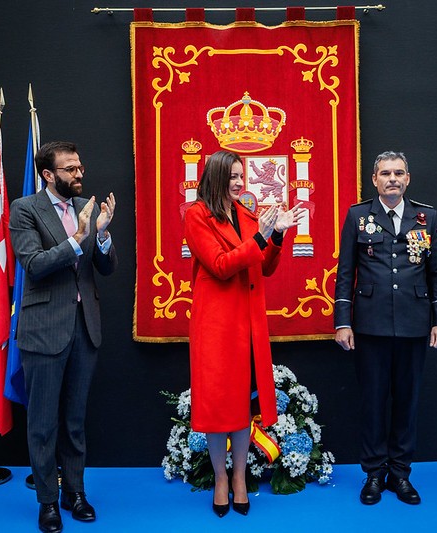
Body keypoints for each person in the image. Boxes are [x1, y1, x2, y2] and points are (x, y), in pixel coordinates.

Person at [183, 150, 305, 518]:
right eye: (232, 176)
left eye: (241, 176)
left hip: (249, 322)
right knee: (218, 405)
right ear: (216, 178)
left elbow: (264, 267)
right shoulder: (197, 215)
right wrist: (261, 238)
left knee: (240, 403)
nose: (239, 182)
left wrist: (277, 235)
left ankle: (239, 476)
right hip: (216, 324)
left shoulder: (249, 216)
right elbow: (220, 266)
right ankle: (221, 478)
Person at [9, 141, 117, 533]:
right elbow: (34, 265)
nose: (79, 173)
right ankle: (48, 502)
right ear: (48, 175)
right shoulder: (25, 209)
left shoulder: (87, 206)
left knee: (74, 420)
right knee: (42, 424)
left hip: (84, 327)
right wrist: (78, 238)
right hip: (43, 330)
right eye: (70, 169)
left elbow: (106, 267)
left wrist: (100, 237)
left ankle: (75, 493)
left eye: (80, 166)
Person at [334, 151, 437, 506]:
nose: (392, 179)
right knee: (373, 402)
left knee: (406, 401)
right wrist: (343, 321)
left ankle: (400, 473)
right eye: (385, 173)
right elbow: (345, 272)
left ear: (408, 179)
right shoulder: (358, 216)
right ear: (374, 180)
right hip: (370, 325)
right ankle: (373, 473)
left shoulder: (426, 217)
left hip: (414, 324)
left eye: (398, 173)